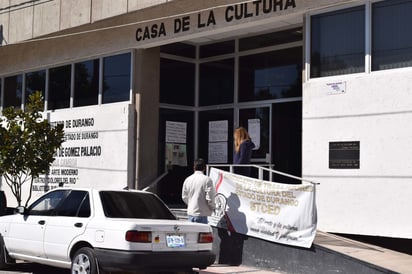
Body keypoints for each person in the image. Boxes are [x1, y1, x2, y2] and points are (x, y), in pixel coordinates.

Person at [181, 158, 216, 224]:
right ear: (204, 168)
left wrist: (191, 204)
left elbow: (184, 196)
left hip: (191, 213)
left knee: (191, 233)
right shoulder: (207, 180)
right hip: (202, 214)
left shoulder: (188, 179)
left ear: (194, 167)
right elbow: (210, 198)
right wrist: (213, 207)